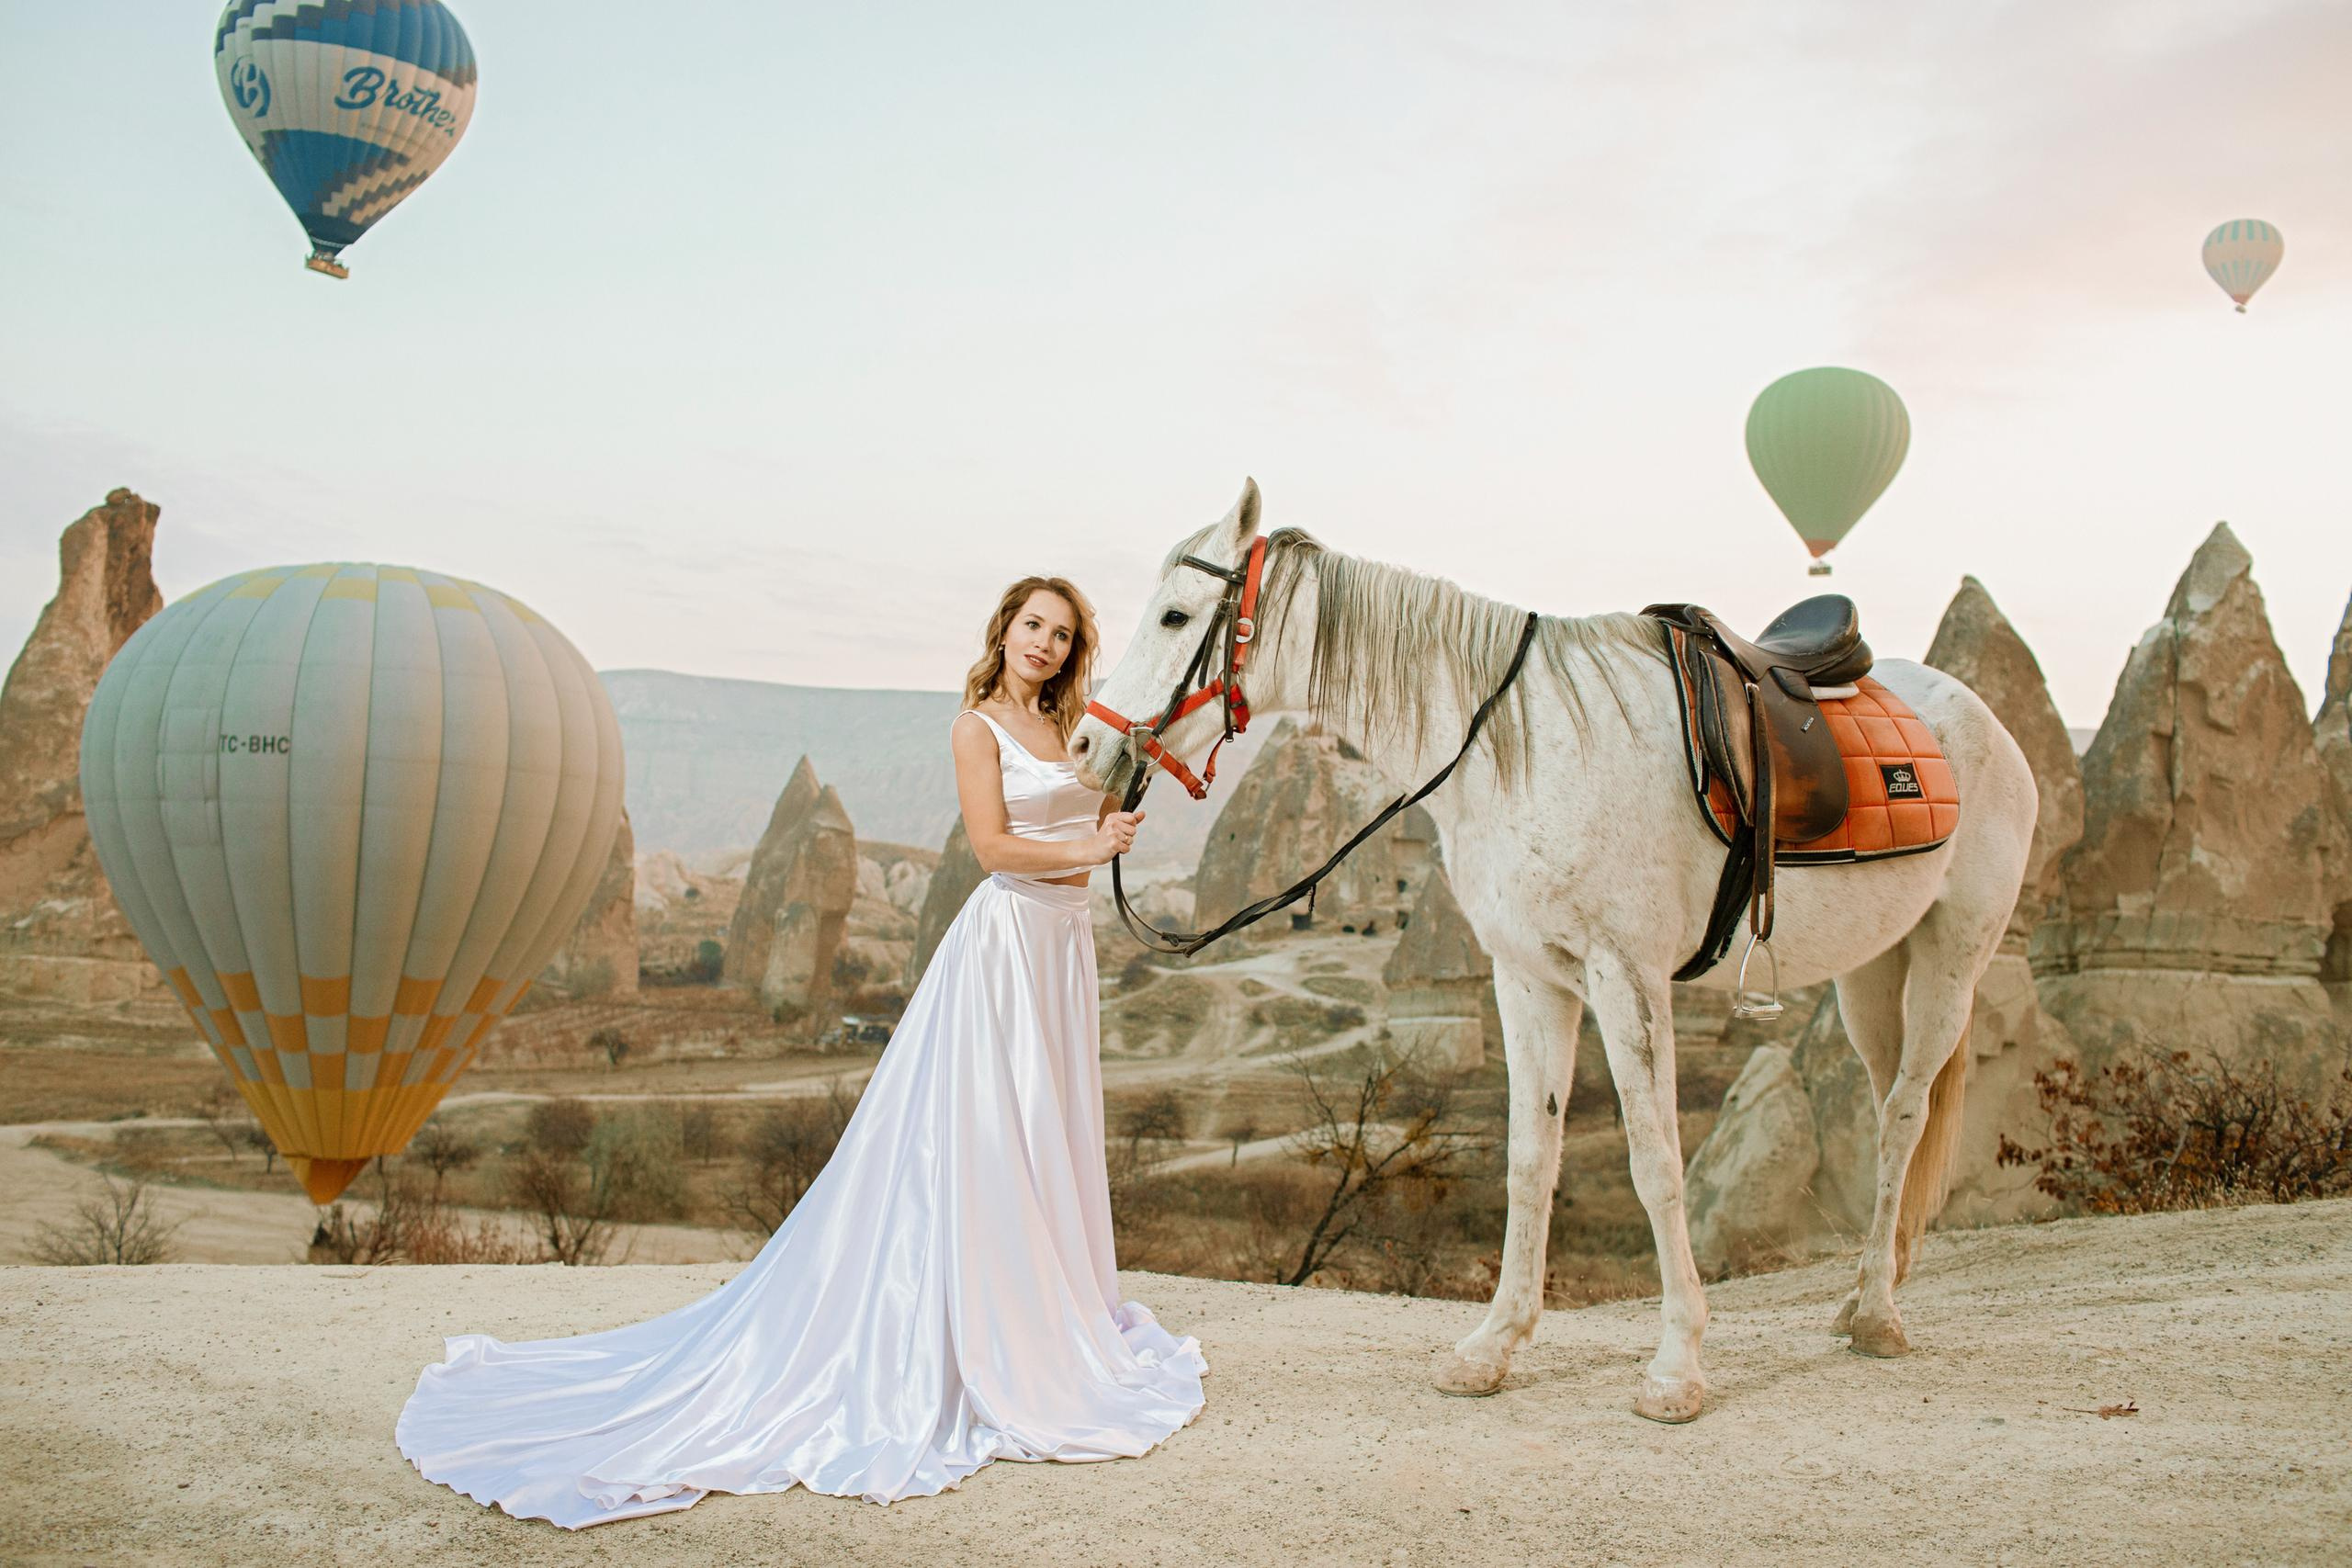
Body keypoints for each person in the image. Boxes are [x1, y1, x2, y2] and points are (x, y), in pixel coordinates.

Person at [395, 576, 1206, 1525]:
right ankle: (981, 1327)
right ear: (1004, 630)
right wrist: (1093, 845)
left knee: (1050, 1128)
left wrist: (1124, 800)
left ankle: (1047, 1313)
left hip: (1064, 947)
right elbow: (990, 849)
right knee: (994, 1131)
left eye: (1062, 635)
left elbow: (1094, 810)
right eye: (1033, 626)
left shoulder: (1072, 735)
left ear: (1075, 651)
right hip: (1009, 943)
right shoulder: (976, 727)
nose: (1044, 644)